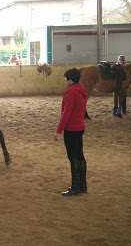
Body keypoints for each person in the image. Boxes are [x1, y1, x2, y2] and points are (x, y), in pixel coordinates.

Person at [54, 68, 88, 196]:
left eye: (66, 79)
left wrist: (58, 131)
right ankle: (82, 185)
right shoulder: (82, 90)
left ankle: (75, 187)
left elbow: (66, 113)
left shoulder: (70, 92)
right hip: (80, 126)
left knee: (73, 157)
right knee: (80, 156)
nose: (65, 81)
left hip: (71, 128)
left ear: (70, 79)